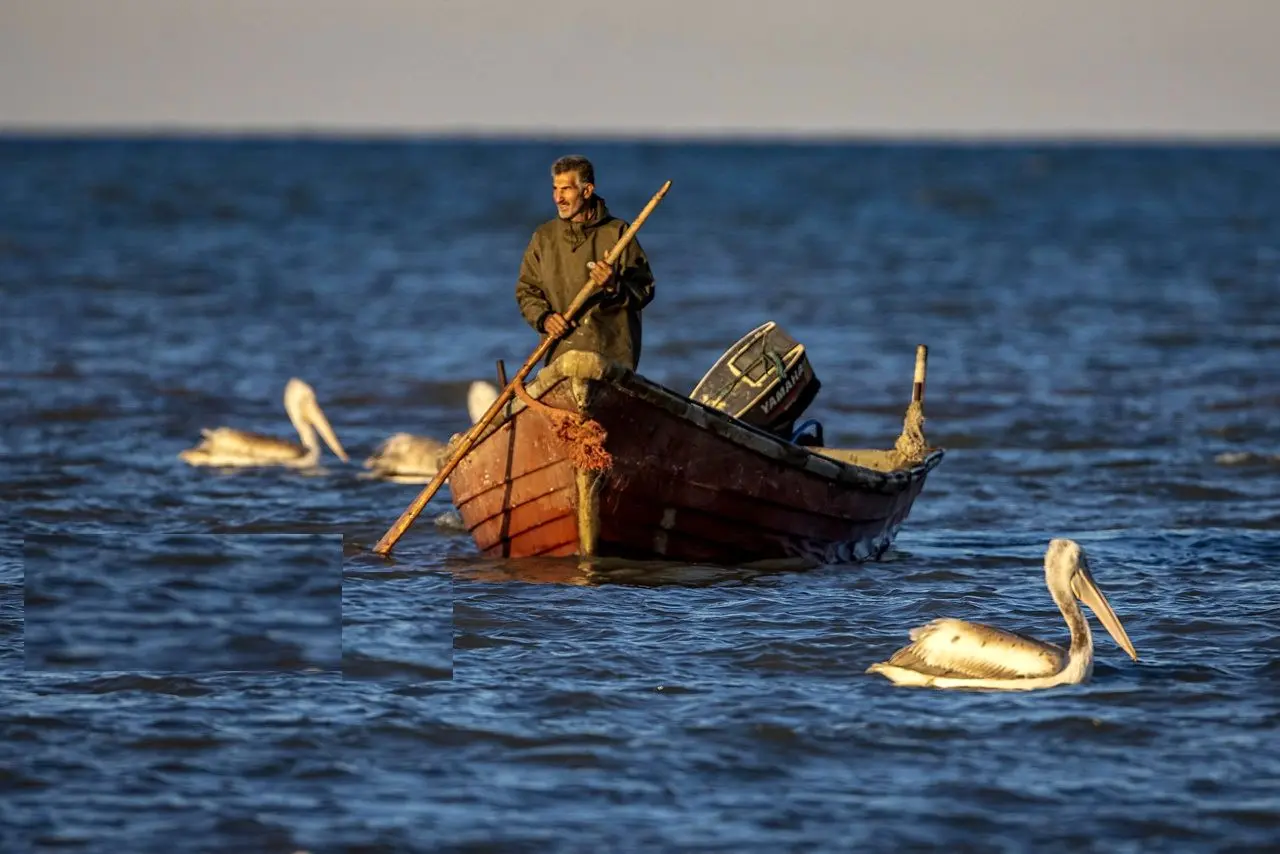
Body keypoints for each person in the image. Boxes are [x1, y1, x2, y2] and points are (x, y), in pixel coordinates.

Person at [515, 155, 656, 370]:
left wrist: (614, 285)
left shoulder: (618, 233)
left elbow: (644, 290)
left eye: (566, 189)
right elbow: (527, 291)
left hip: (611, 358)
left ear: (587, 190)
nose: (558, 198)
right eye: (555, 189)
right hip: (559, 358)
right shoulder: (544, 237)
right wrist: (545, 319)